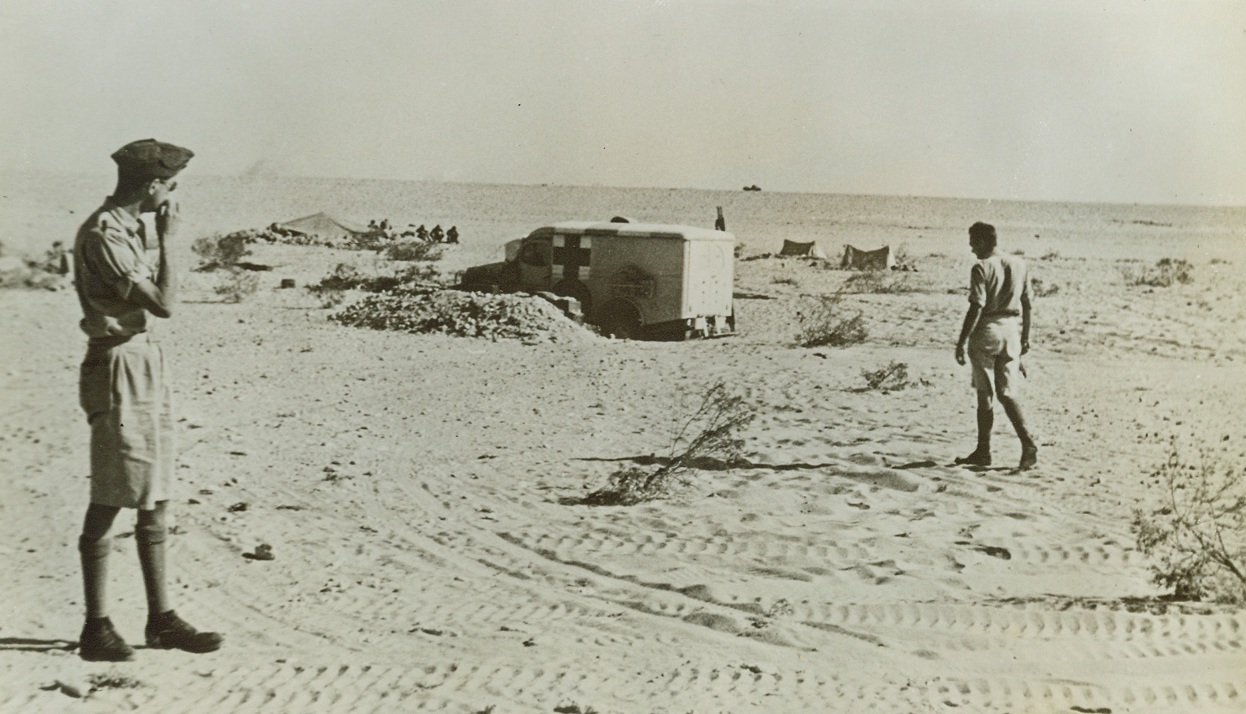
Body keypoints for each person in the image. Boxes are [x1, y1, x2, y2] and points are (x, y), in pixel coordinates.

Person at [72, 139, 223, 662]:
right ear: (152, 185)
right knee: (113, 492)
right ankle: (97, 627)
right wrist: (169, 241)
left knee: (155, 491)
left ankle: (161, 619)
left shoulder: (125, 229)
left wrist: (156, 238)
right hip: (118, 366)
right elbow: (164, 304)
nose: (173, 194)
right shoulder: (103, 234)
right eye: (170, 184)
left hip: (141, 362)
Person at [954, 222, 1038, 470]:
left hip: (988, 329)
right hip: (1011, 329)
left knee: (985, 394)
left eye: (973, 242)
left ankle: (984, 450)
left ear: (982, 241)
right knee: (1007, 392)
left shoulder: (982, 266)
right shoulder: (1019, 264)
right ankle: (1027, 443)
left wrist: (962, 340)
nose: (971, 248)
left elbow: (976, 305)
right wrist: (1025, 337)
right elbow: (1027, 304)